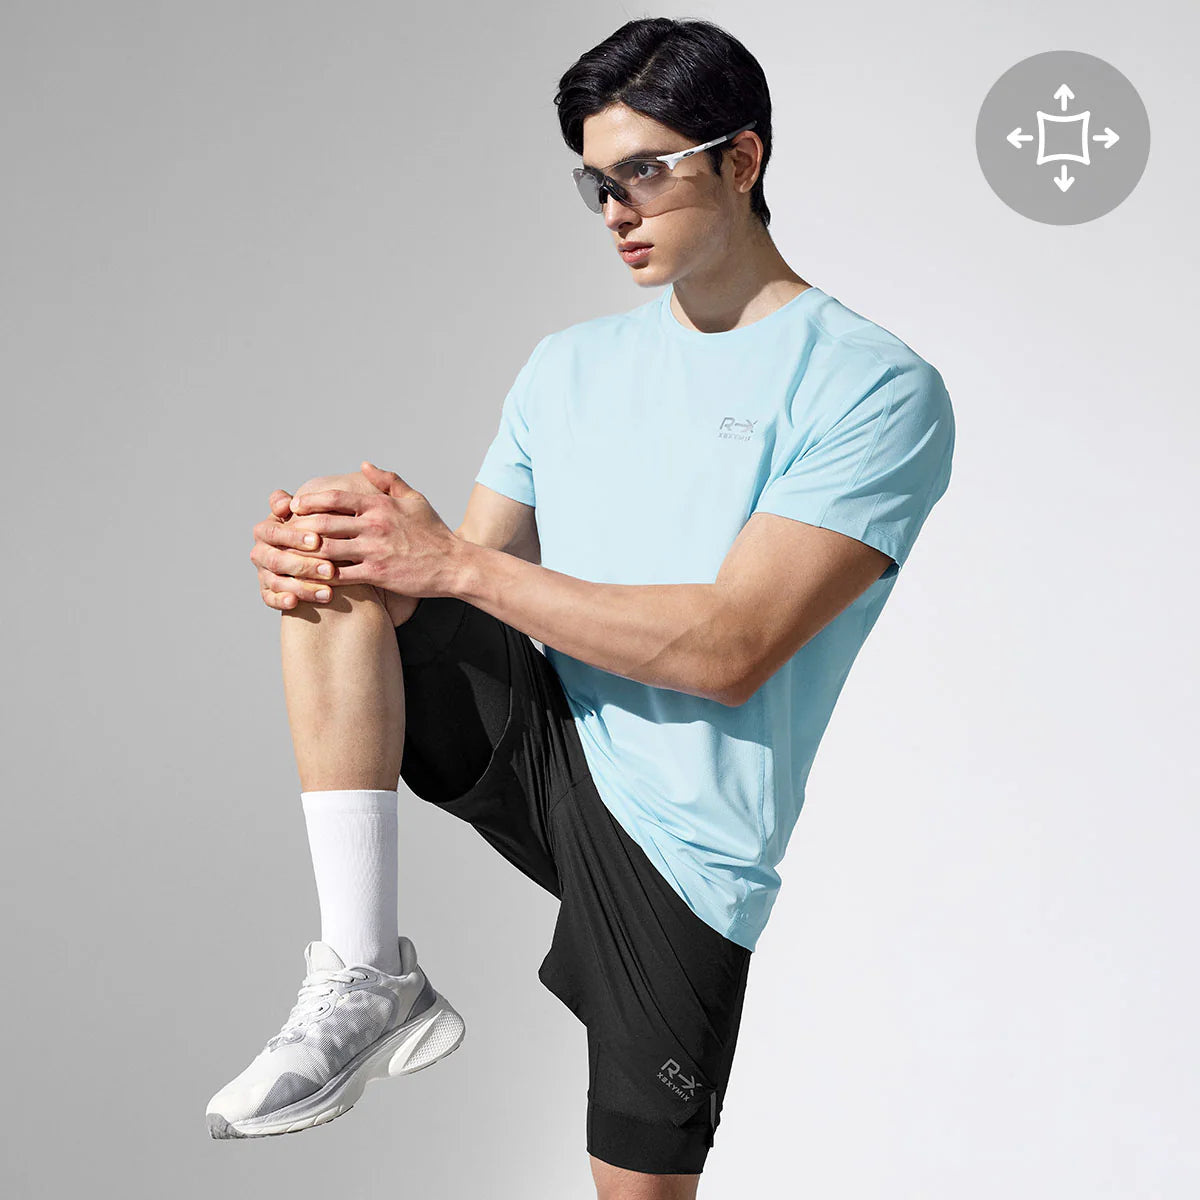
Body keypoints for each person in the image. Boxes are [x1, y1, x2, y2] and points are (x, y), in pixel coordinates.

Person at [208, 15, 955, 1198]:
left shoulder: (873, 385)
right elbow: (457, 576)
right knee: (341, 542)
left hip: (686, 838)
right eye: (596, 183)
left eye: (644, 172)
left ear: (742, 160)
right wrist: (351, 557)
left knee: (634, 1191)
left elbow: (732, 649)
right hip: (546, 742)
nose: (614, 209)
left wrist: (446, 564)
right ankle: (365, 972)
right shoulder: (566, 366)